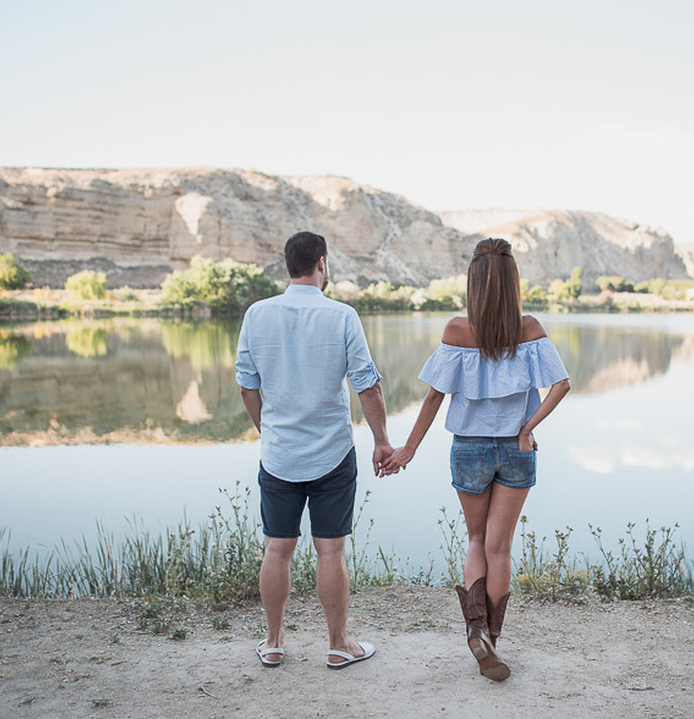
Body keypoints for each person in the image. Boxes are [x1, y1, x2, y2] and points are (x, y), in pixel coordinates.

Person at [385, 237, 570, 681]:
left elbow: (433, 397)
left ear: (473, 284)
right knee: (499, 547)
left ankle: (476, 632)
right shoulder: (529, 329)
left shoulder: (456, 331)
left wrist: (408, 449)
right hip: (517, 449)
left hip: (468, 447)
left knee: (474, 541)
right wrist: (528, 427)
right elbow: (560, 385)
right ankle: (492, 639)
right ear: (513, 284)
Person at [235, 231, 394, 670]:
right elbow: (368, 385)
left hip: (279, 454)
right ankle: (339, 644)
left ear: (289, 266)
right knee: (331, 550)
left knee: (277, 548)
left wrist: (268, 429)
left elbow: (247, 385)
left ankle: (272, 643)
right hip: (332, 453)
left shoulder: (257, 314)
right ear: (321, 264)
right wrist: (382, 441)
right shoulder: (342, 316)